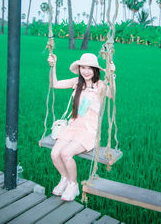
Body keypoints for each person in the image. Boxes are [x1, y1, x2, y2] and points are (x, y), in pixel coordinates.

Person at [47, 52, 115, 201]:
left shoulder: (100, 86)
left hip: (89, 131)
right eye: (82, 67)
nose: (85, 71)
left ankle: (73, 185)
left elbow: (112, 95)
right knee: (54, 153)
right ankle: (64, 178)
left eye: (89, 68)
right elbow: (55, 84)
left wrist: (112, 76)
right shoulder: (77, 83)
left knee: (66, 154)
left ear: (95, 70)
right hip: (73, 127)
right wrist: (53, 66)